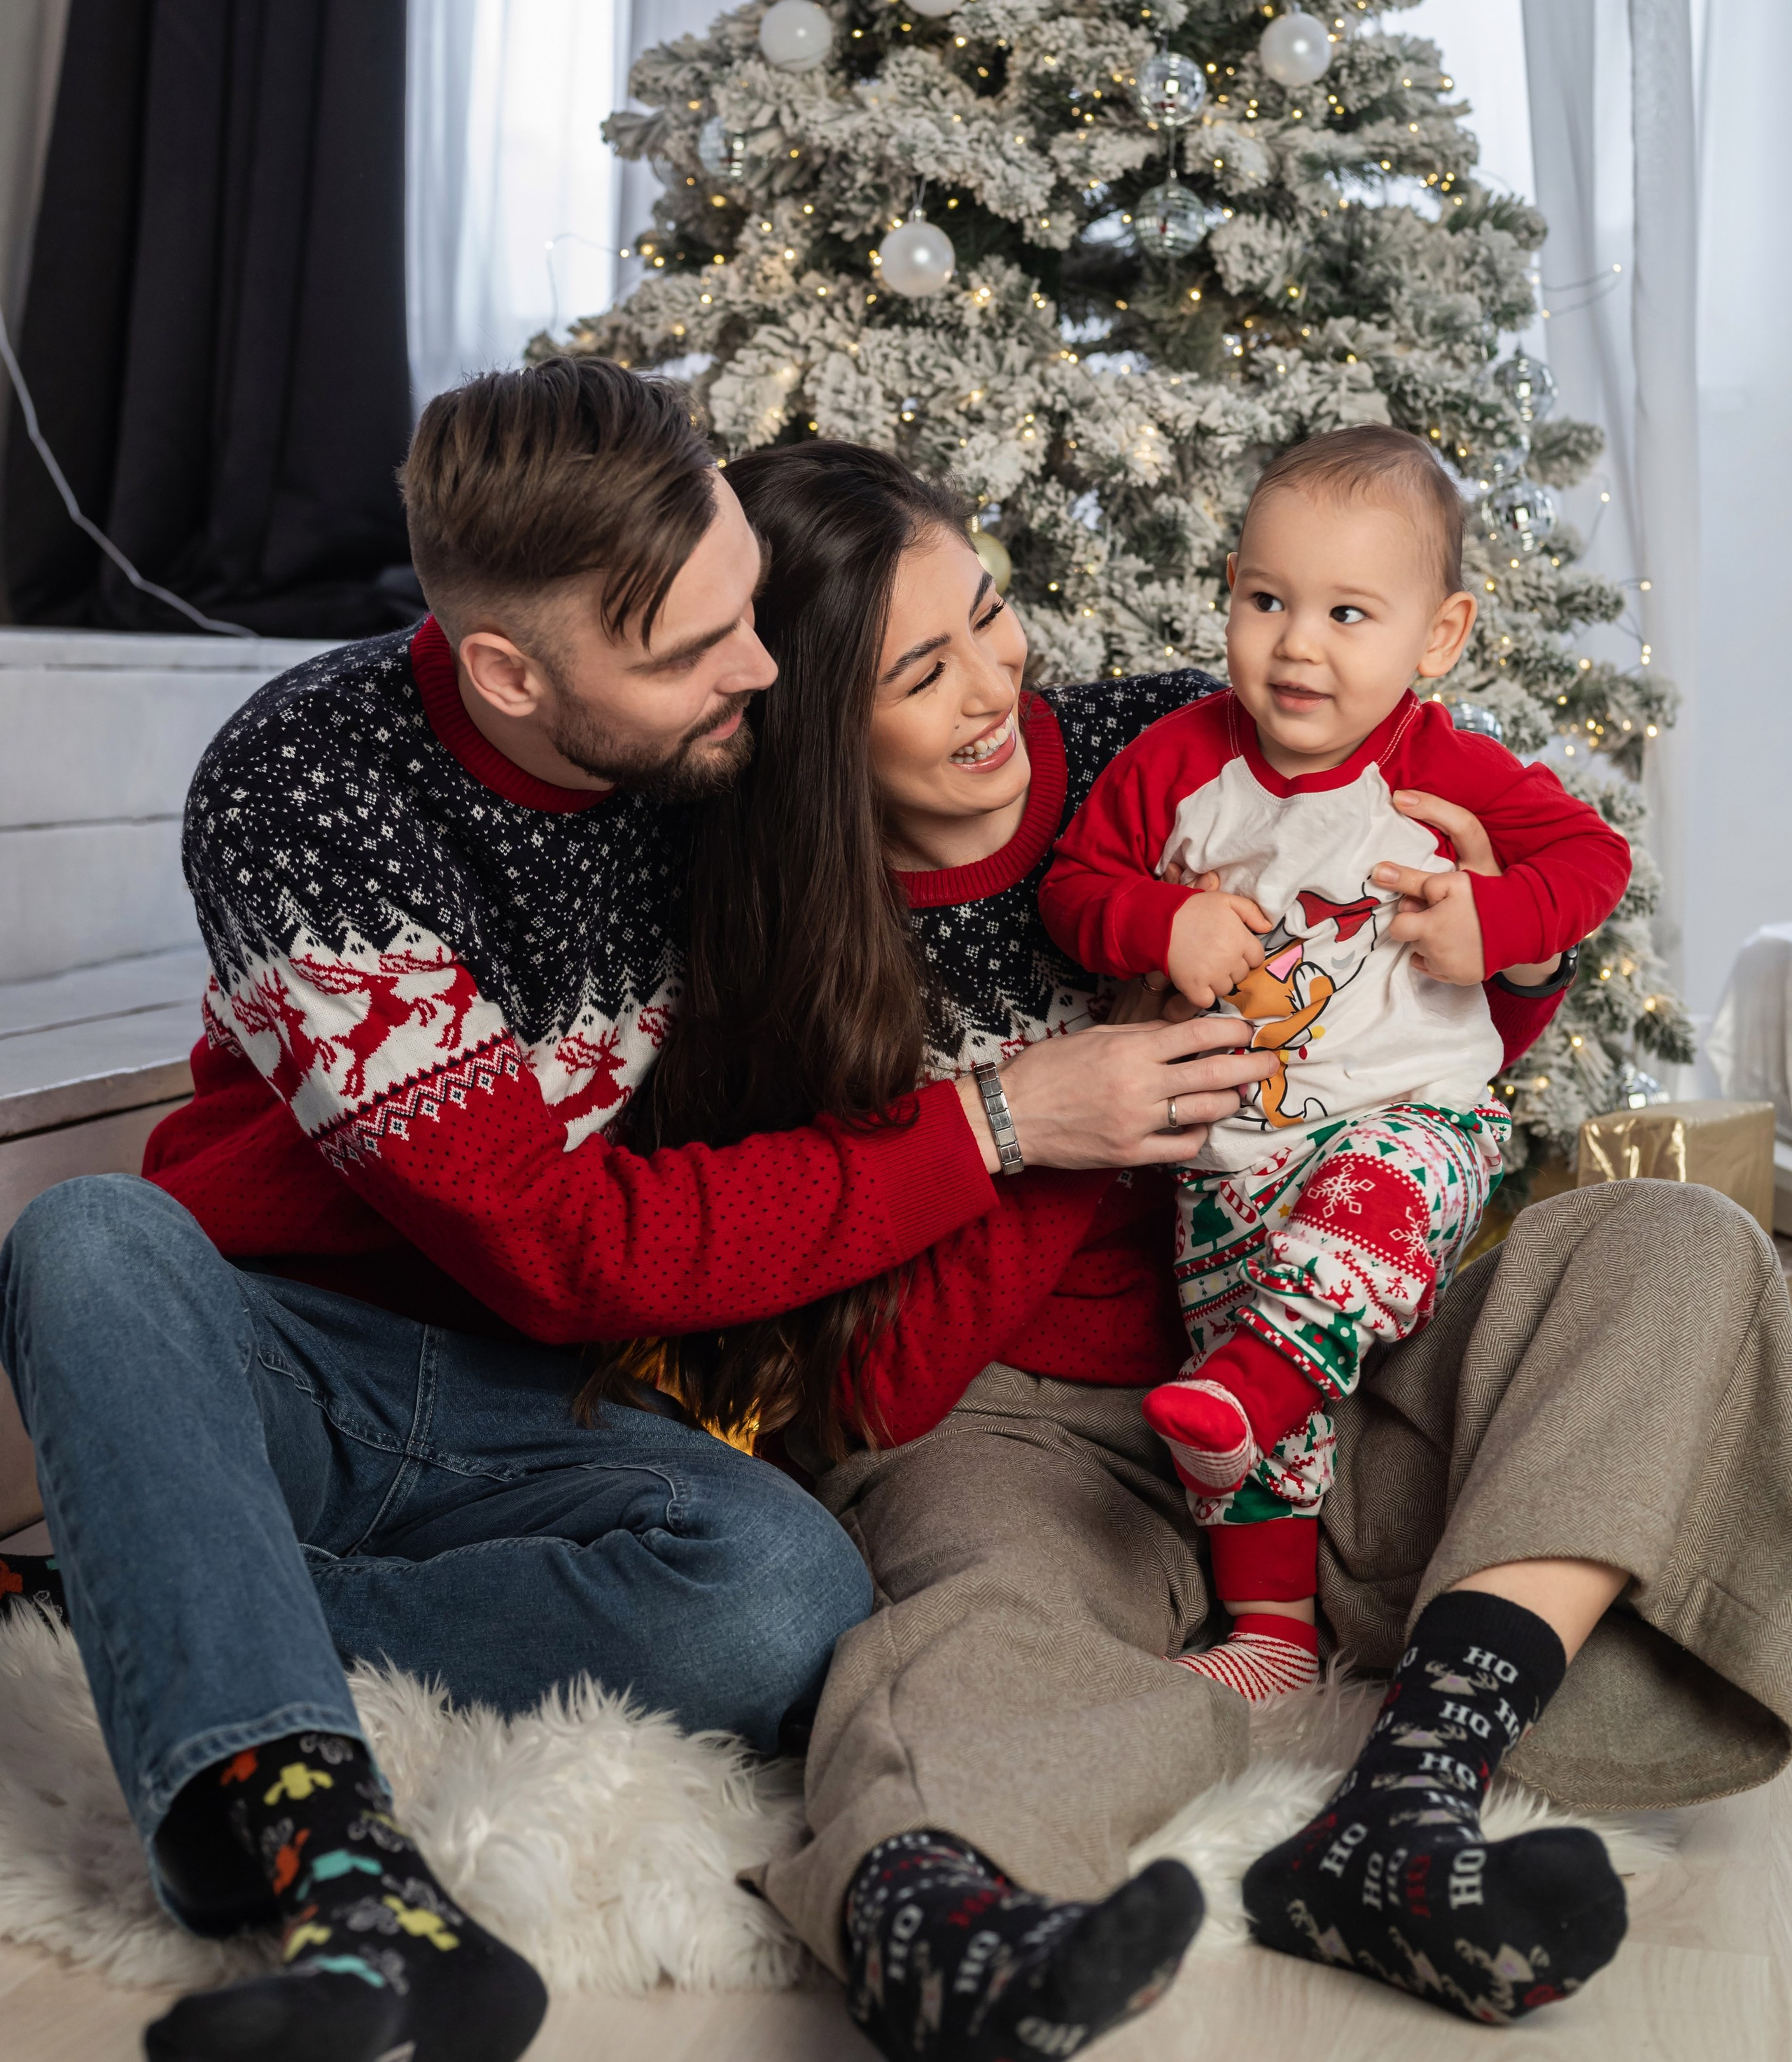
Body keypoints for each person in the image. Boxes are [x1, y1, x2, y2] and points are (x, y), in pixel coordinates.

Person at [0, 361, 1265, 2062]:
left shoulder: (733, 749)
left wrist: (1359, 793)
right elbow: (560, 1248)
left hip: (557, 1415)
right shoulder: (311, 792)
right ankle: (339, 1880)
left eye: (749, 607)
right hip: (291, 1361)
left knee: (778, 1601)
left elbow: (1055, 778)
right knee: (84, 1244)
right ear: (514, 670)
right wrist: (996, 1125)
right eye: (690, 648)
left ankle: (147, 1590)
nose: (760, 671)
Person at [622, 437, 1792, 2058]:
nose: (994, 687)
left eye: (990, 614)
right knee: (962, 1618)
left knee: (1673, 1246)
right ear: (817, 720)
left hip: (1332, 1358)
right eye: (920, 670)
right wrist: (1040, 1120)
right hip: (1035, 1436)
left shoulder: (1169, 746)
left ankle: (1407, 1803)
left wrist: (1480, 940)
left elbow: (1418, 1052)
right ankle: (933, 1914)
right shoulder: (776, 969)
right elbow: (869, 1393)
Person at [1037, 425, 1630, 1716]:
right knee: (1236, 1390)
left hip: (1415, 1123)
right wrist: (1163, 923)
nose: (1297, 645)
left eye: (1349, 613)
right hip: (1235, 1155)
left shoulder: (1440, 762)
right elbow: (1077, 891)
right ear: (1232, 590)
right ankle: (1271, 1627)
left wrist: (1493, 921)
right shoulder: (1181, 763)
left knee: (1348, 1227)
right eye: (1267, 600)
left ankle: (1257, 1380)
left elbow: (1591, 861)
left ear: (1439, 635)